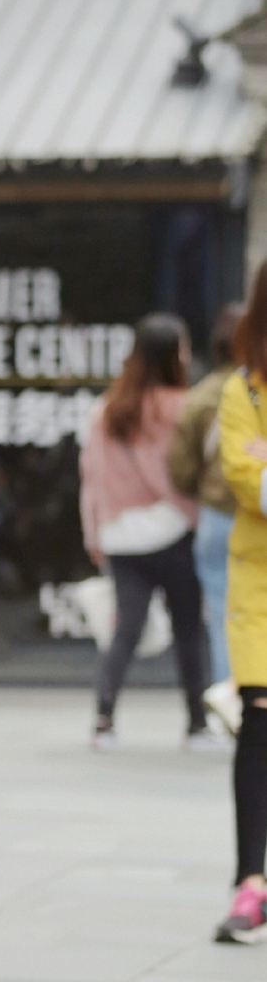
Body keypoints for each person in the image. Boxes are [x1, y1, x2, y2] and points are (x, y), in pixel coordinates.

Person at [78, 312, 209, 749]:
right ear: (175, 353)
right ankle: (197, 725)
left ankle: (103, 719)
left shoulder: (105, 410)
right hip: (172, 531)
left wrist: (94, 537)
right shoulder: (184, 407)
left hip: (119, 536)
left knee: (125, 630)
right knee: (189, 628)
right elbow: (194, 475)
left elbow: (91, 481)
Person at [213, 267, 267, 941]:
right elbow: (247, 479)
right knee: (260, 716)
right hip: (260, 583)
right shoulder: (242, 391)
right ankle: (250, 883)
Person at [169, 301, 242, 736]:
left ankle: (228, 709)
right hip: (254, 515)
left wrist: (202, 488)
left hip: (217, 516)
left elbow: (179, 465)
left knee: (222, 615)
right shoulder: (254, 391)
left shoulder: (205, 394)